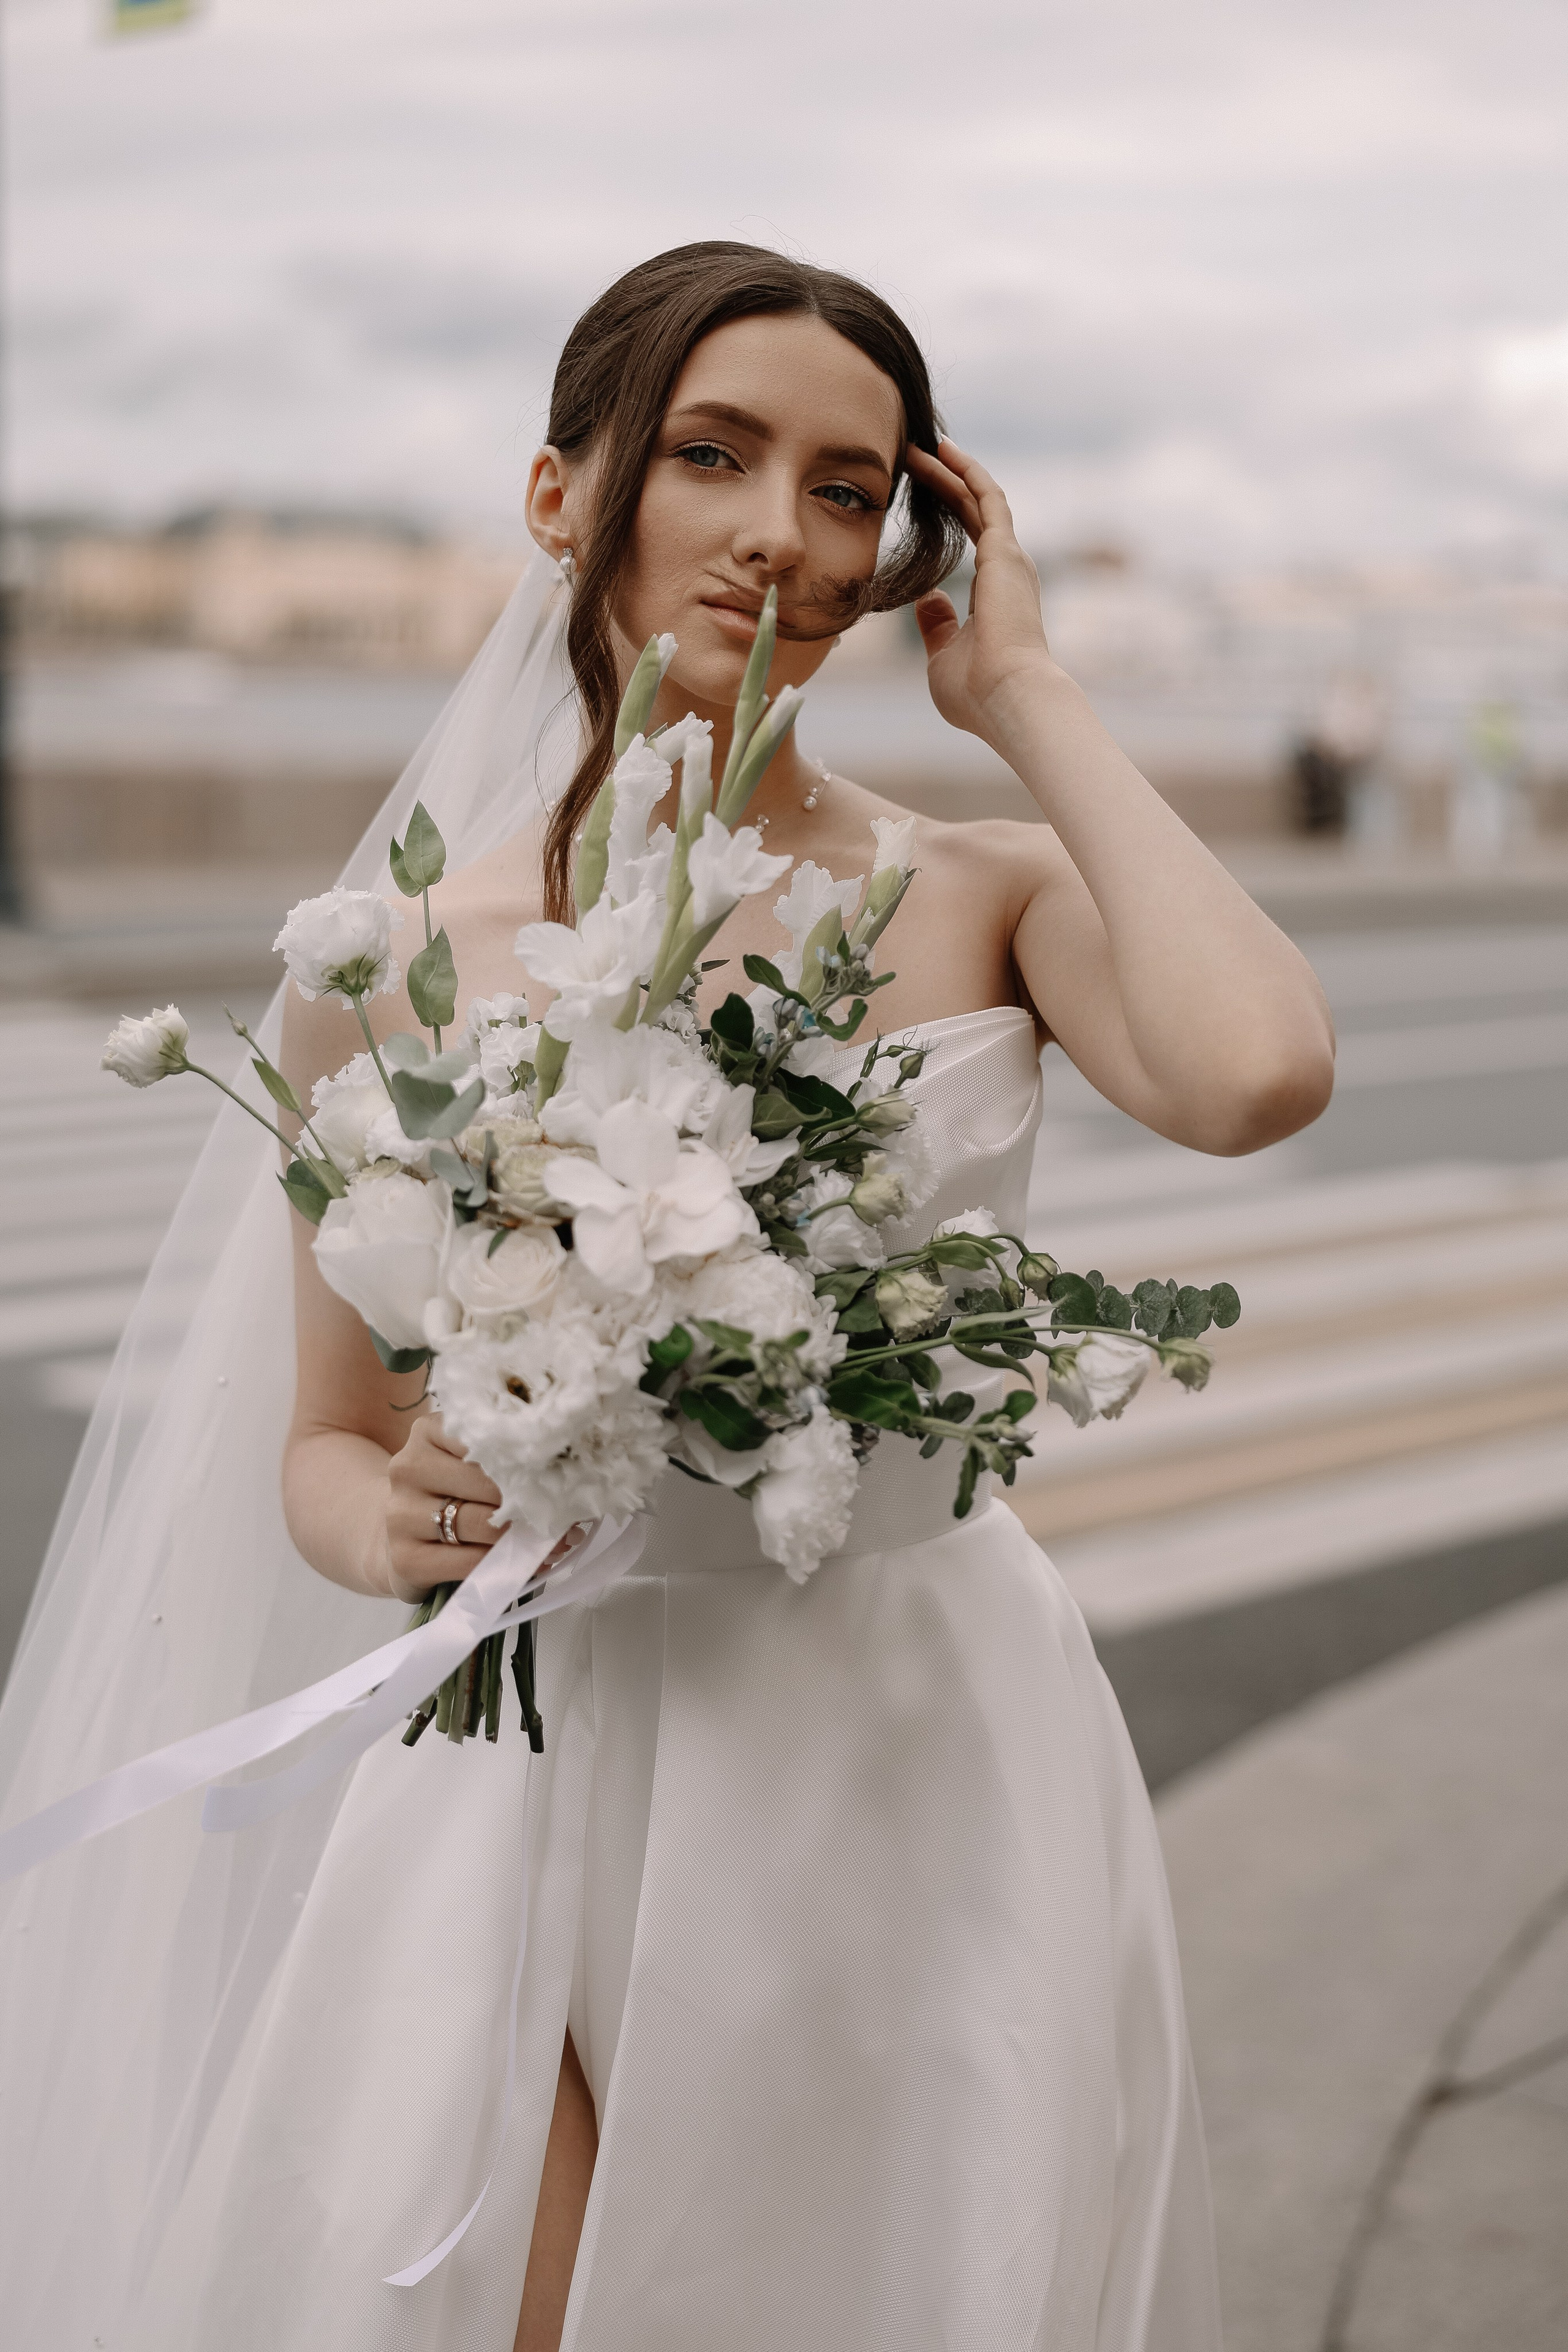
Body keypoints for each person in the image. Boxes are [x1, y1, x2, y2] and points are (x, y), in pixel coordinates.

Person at [0, 245, 1335, 2352]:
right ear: (564, 495)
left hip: (903, 1748)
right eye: (713, 456)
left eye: (846, 488)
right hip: (525, 1735)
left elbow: (1256, 1073)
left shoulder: (980, 892)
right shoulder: (384, 965)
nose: (777, 532)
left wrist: (1027, 697)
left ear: (903, 551)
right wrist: (393, 1521)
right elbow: (325, 1443)